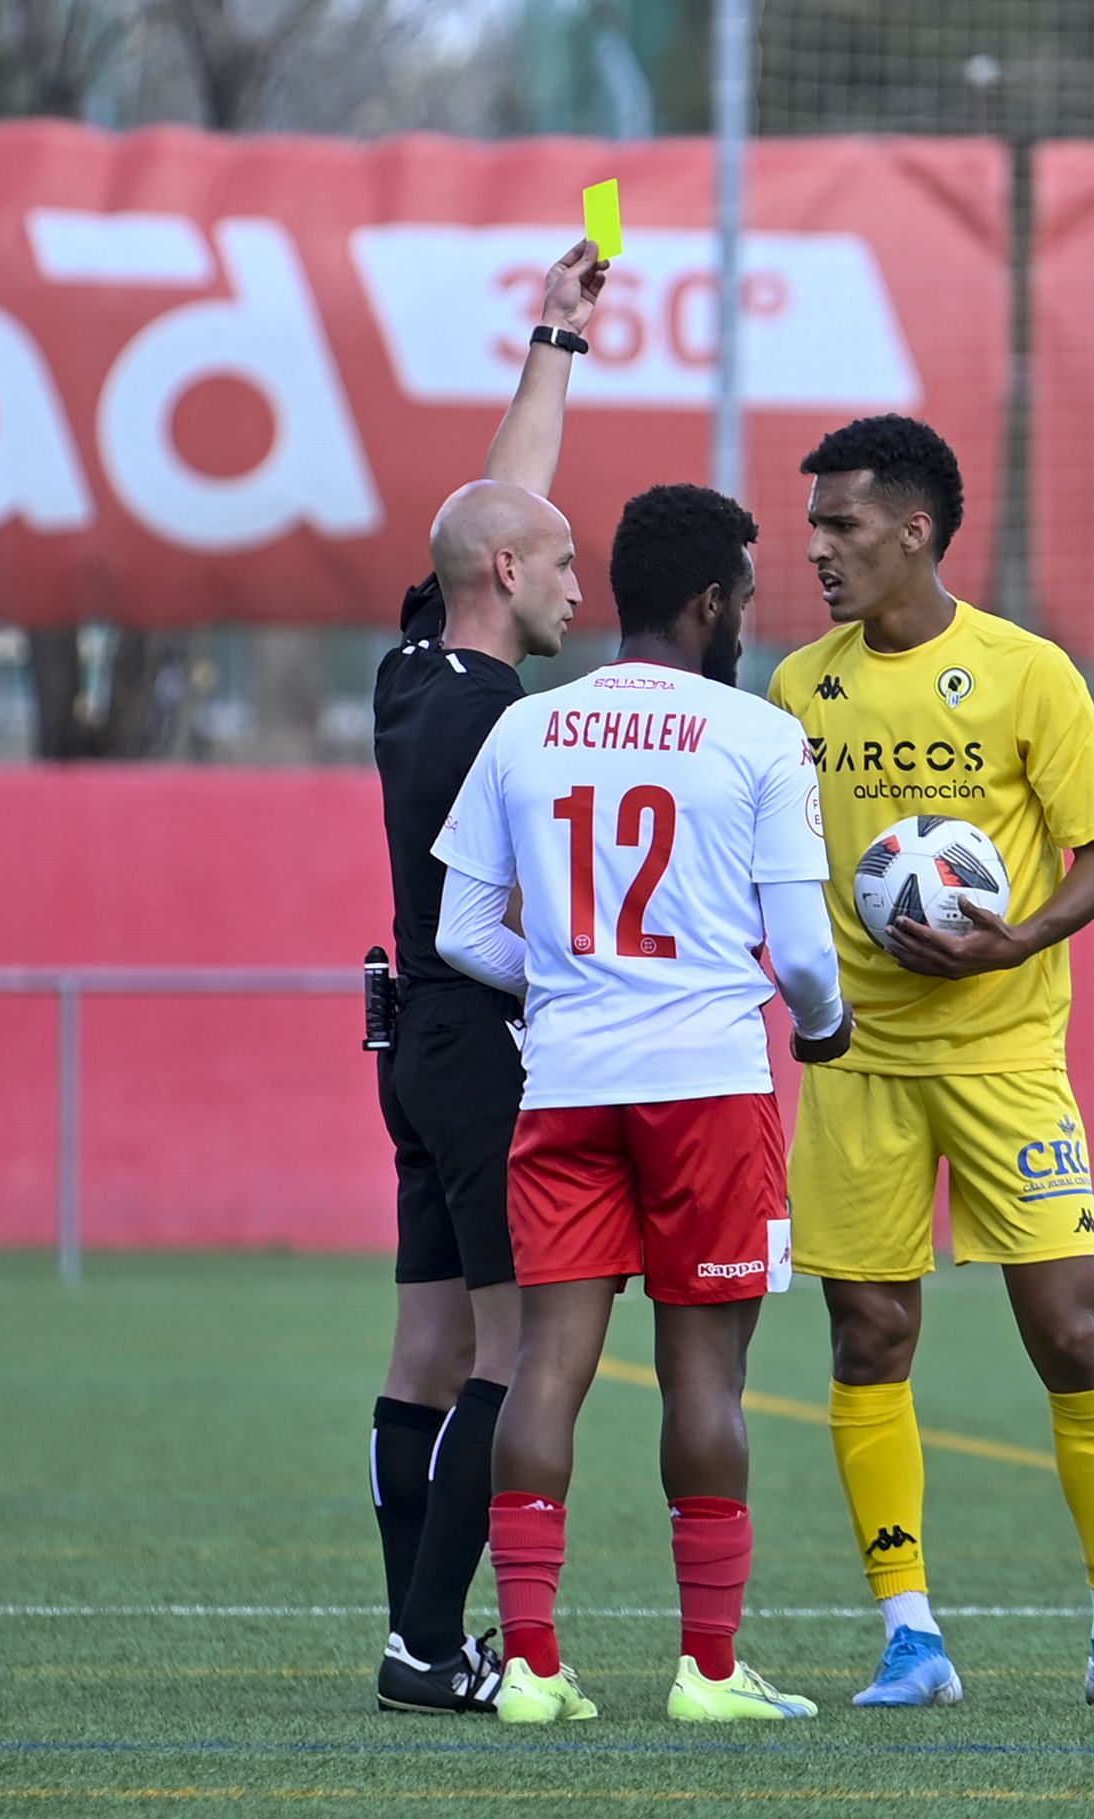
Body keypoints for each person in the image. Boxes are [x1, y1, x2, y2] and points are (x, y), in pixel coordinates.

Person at [767, 413, 1094, 1711]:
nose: (817, 550)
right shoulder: (797, 685)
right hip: (854, 1061)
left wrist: (1017, 935)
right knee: (868, 1332)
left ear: (914, 532)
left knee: (1068, 1328)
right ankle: (909, 1634)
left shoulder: (1027, 674)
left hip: (1007, 1056)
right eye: (812, 527)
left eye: (839, 525)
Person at [433, 482, 854, 1725]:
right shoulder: (758, 736)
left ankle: (531, 1670)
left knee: (546, 1374)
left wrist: (563, 990)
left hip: (565, 1089)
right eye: (746, 599)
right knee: (705, 1386)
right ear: (710, 601)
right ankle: (709, 1675)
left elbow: (463, 931)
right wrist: (821, 1031)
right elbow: (807, 959)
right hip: (708, 1093)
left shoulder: (523, 730)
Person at [368, 239, 606, 1715]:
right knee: (514, 1350)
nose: (581, 585)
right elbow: (481, 925)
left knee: (427, 1342)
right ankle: (428, 1639)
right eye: (563, 562)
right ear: (512, 578)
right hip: (478, 1045)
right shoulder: (495, 731)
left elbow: (484, 512)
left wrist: (554, 345)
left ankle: (413, 1636)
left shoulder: (412, 671)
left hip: (412, 1050)